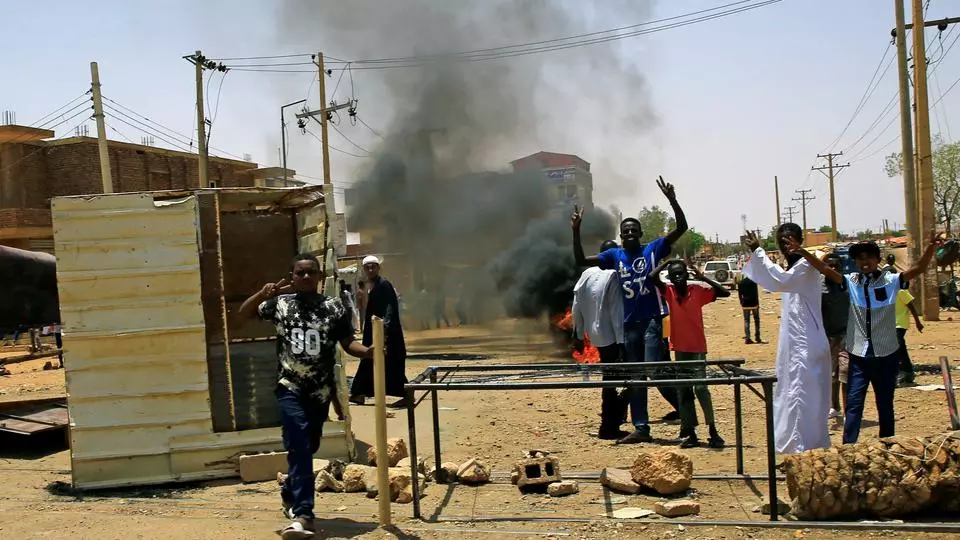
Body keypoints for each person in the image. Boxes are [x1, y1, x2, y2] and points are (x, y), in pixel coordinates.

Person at [238, 253, 371, 540]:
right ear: (293, 277)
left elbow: (348, 343)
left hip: (320, 392)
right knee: (298, 444)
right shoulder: (281, 304)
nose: (306, 277)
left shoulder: (334, 307)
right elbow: (244, 315)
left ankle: (289, 491)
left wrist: (369, 352)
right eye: (300, 273)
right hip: (290, 388)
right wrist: (262, 293)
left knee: (307, 447)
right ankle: (304, 515)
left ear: (320, 277)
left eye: (312, 273)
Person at [779, 234, 941, 444]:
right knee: (854, 404)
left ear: (877, 260)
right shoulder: (851, 281)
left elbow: (918, 270)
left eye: (869, 257)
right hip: (859, 357)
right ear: (855, 262)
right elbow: (825, 270)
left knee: (885, 404)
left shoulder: (891, 281)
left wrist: (930, 247)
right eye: (860, 259)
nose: (865, 262)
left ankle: (888, 446)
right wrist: (802, 251)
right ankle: (848, 447)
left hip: (885, 355)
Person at [572, 176, 687, 444]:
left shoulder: (653, 249)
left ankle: (686, 418)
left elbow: (682, 226)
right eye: (626, 231)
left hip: (651, 320)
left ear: (641, 234)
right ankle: (641, 427)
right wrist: (576, 231)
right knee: (636, 374)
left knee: (651, 368)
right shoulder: (615, 256)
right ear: (620, 236)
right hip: (629, 324)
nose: (630, 234)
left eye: (634, 230)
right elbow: (579, 260)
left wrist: (672, 200)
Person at [741, 225, 831, 454]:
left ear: (800, 240)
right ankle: (795, 447)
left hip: (806, 344)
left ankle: (804, 448)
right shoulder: (795, 268)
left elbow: (779, 280)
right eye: (781, 241)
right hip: (795, 344)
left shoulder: (804, 267)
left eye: (790, 240)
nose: (786, 245)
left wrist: (758, 252)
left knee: (802, 395)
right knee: (791, 391)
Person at [650, 258, 728, 448]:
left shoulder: (698, 291)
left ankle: (713, 430)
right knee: (684, 390)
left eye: (681, 273)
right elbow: (651, 277)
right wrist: (668, 261)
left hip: (697, 348)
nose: (678, 277)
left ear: (687, 274)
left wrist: (704, 278)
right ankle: (690, 432)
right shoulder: (668, 292)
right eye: (674, 274)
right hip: (680, 348)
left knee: (701, 388)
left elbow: (724, 292)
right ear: (670, 277)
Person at [572, 239, 628, 440]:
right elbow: (616, 312)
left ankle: (612, 422)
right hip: (612, 337)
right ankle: (609, 426)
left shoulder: (586, 274)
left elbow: (576, 306)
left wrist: (578, 335)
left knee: (610, 380)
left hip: (594, 335)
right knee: (620, 380)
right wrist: (621, 343)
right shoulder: (613, 275)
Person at [349, 255, 409, 409]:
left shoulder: (384, 285)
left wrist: (384, 331)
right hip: (375, 331)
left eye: (373, 266)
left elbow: (389, 309)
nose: (370, 269)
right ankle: (359, 393)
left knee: (391, 364)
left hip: (385, 333)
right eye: (367, 267)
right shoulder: (373, 285)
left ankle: (407, 394)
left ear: (378, 268)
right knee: (370, 360)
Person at [821, 252, 850, 419]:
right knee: (832, 375)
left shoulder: (847, 285)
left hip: (846, 335)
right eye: (829, 265)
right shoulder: (818, 287)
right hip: (826, 337)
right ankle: (835, 407)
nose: (832, 268)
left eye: (836, 265)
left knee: (846, 373)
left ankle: (848, 410)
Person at [895, 286, 924, 387]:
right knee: (900, 348)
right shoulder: (883, 289)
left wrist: (917, 322)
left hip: (900, 324)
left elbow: (910, 305)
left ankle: (902, 372)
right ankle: (907, 372)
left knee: (897, 347)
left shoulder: (900, 290)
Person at [736, 274, 761, 344]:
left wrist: (741, 302)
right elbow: (756, 294)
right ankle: (757, 337)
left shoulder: (741, 282)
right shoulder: (753, 282)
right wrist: (758, 303)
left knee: (746, 320)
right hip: (754, 303)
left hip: (745, 303)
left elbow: (739, 294)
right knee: (756, 320)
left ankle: (747, 338)